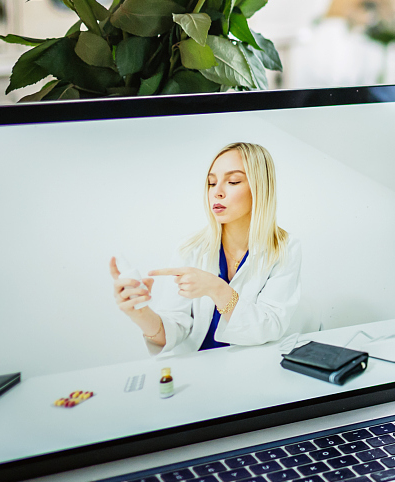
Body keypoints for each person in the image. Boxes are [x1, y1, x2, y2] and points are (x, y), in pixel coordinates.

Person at [110, 141, 303, 356]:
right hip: (197, 370)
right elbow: (175, 330)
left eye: (233, 181)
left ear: (260, 187)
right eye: (211, 183)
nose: (217, 192)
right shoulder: (190, 249)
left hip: (252, 365)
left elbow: (269, 327)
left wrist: (216, 288)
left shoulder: (285, 248)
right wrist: (140, 313)